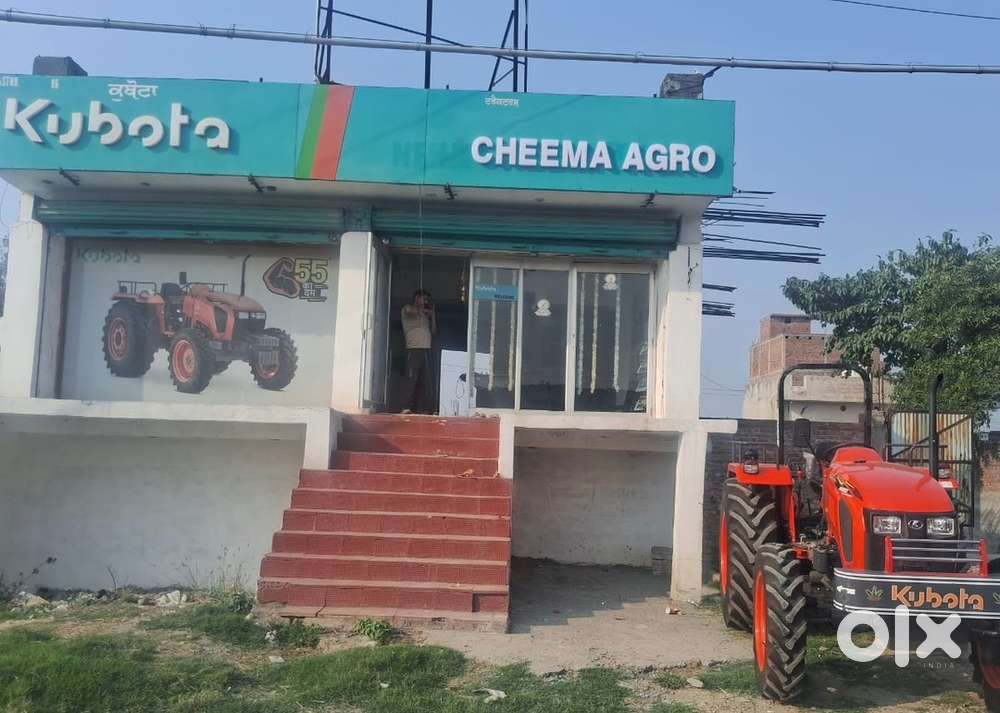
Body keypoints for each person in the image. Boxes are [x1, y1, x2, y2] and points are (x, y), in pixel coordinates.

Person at [401, 289, 436, 413]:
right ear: (416, 298)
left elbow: (434, 331)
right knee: (411, 379)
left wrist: (433, 315)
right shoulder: (408, 308)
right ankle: (405, 407)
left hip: (426, 350)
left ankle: (424, 409)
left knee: (426, 381)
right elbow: (409, 310)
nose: (425, 301)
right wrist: (425, 311)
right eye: (424, 299)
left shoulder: (425, 316)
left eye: (426, 299)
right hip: (414, 349)